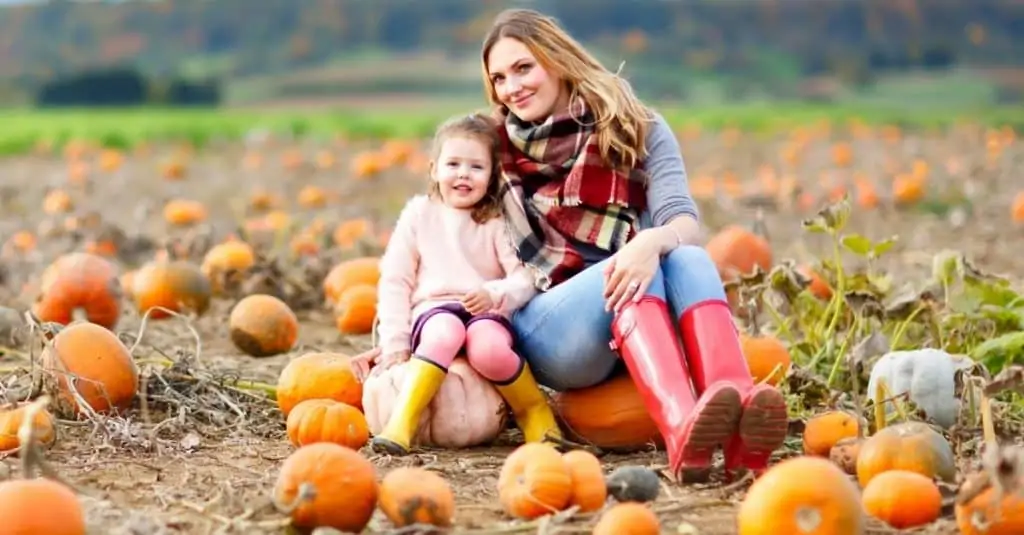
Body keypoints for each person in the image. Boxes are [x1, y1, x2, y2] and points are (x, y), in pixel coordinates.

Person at [481, 9, 789, 479]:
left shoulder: (636, 127)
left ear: (557, 60)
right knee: (627, 270)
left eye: (524, 68)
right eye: (499, 78)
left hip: (641, 318)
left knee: (684, 253)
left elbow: (682, 221)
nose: (512, 87)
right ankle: (681, 429)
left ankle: (737, 414)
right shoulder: (492, 148)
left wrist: (649, 242)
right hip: (550, 328)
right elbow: (436, 234)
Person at [360, 112, 562, 455]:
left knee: (489, 349)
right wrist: (395, 341)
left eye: (476, 167)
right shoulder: (419, 214)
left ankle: (534, 412)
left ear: (493, 176)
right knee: (444, 332)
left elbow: (525, 278)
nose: (463, 174)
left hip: (485, 311)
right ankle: (403, 421)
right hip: (435, 310)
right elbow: (395, 279)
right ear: (434, 169)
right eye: (453, 164)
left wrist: (494, 292)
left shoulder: (497, 220)